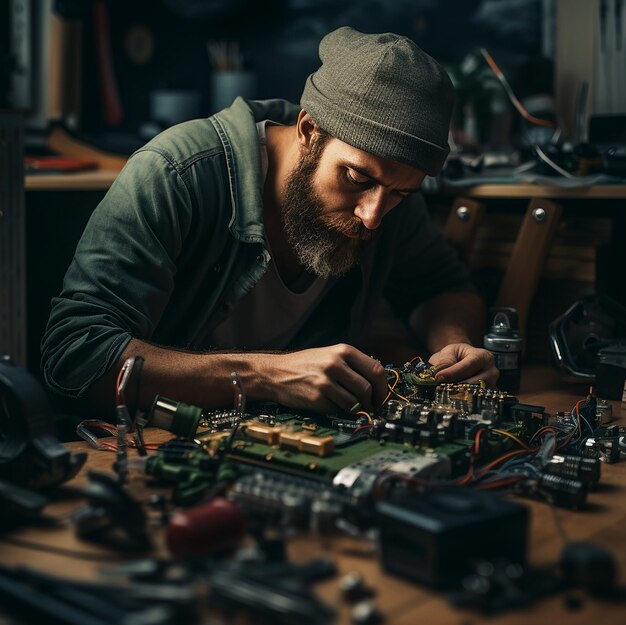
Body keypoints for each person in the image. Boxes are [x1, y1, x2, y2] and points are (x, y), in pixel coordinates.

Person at [41, 27, 498, 417]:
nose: (374, 215)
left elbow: (441, 288)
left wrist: (453, 346)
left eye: (400, 193)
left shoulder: (386, 192)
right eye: (356, 178)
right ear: (308, 130)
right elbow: (76, 358)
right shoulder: (175, 173)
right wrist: (265, 375)